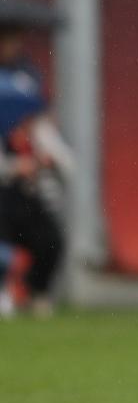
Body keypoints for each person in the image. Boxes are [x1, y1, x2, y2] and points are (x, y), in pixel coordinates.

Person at [0, 22, 69, 318]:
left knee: (50, 239)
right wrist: (16, 167)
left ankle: (37, 292)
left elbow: (66, 161)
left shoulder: (36, 127)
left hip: (27, 196)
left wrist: (47, 161)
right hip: (3, 195)